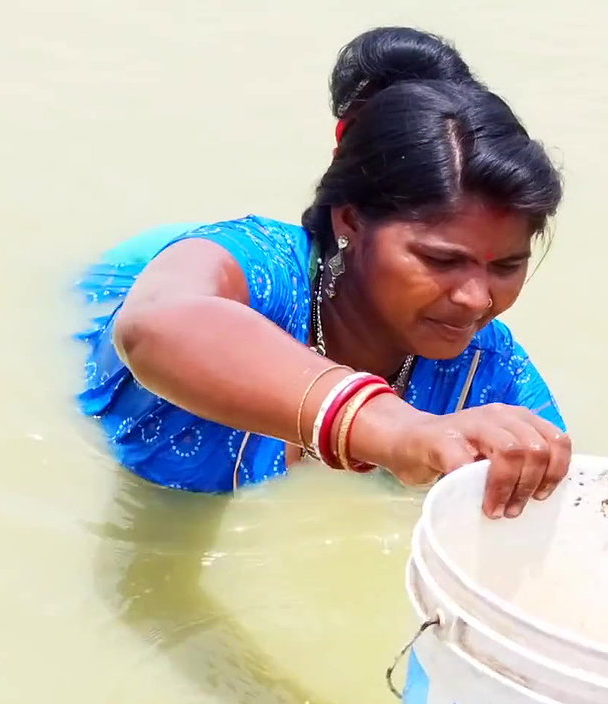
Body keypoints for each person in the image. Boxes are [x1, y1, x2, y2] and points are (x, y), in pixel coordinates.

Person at [74, 26, 570, 520]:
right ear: (350, 219)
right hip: (129, 287)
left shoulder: (489, 376)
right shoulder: (259, 281)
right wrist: (394, 429)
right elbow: (152, 327)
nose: (475, 299)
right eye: (441, 261)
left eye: (507, 265)